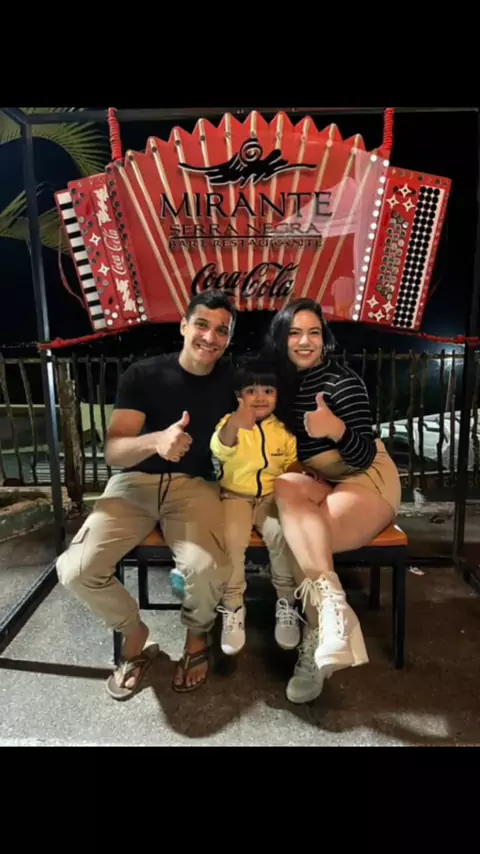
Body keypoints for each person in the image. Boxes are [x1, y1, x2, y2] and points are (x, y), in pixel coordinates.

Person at [56, 291, 238, 699]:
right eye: (202, 325)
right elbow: (114, 450)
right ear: (184, 326)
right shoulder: (144, 374)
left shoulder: (232, 380)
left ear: (228, 339)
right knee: (75, 570)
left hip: (194, 485)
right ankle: (134, 632)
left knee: (206, 568)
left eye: (221, 331)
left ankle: (197, 638)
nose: (210, 337)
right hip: (133, 483)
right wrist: (156, 440)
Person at [263, 298, 402, 705]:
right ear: (281, 339)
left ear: (324, 339)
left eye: (314, 332)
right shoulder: (279, 385)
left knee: (302, 537)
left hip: (365, 477)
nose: (305, 341)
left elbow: (362, 455)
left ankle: (315, 637)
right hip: (321, 480)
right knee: (286, 488)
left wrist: (336, 428)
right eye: (294, 333)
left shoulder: (342, 382)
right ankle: (333, 613)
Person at [210, 356, 302, 656]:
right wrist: (235, 423)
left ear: (277, 395)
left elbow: (292, 462)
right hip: (234, 496)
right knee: (231, 540)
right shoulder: (230, 423)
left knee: (281, 535)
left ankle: (287, 602)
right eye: (252, 391)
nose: (260, 397)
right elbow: (220, 448)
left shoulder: (283, 429)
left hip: (271, 497)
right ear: (239, 395)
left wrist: (298, 473)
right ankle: (233, 606)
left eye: (268, 391)